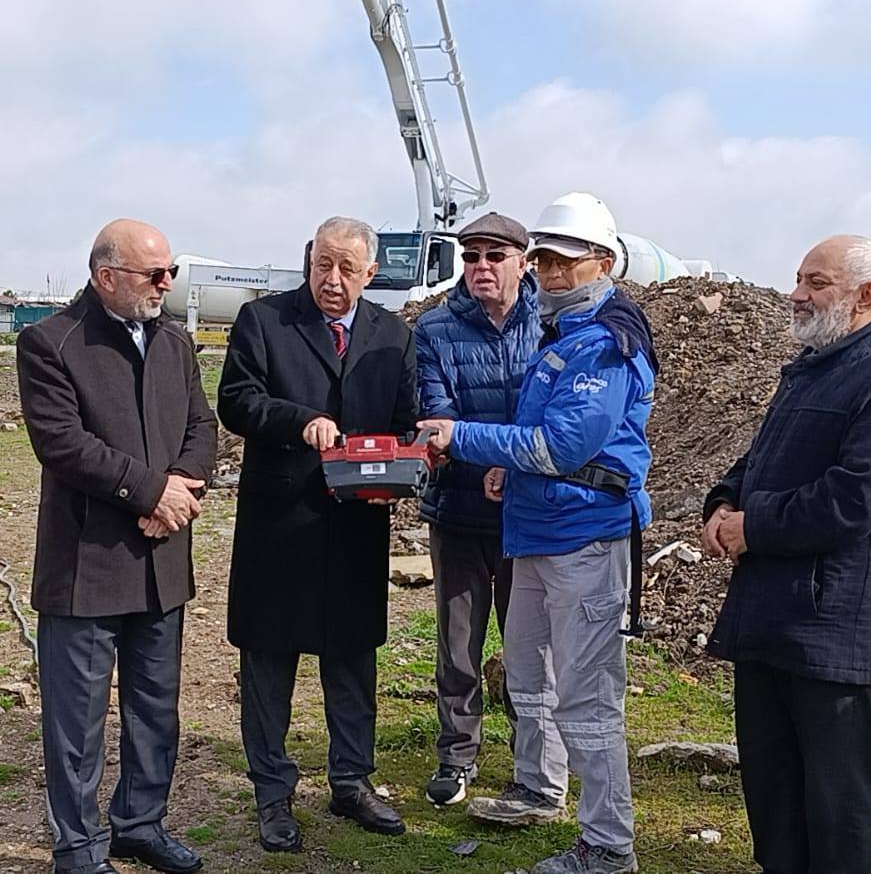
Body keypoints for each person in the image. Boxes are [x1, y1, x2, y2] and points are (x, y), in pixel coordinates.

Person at [420, 192, 655, 874]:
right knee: (527, 671)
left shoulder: (607, 342)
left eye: (561, 261)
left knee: (585, 695)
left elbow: (560, 444)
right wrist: (507, 472)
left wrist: (464, 437)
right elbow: (543, 447)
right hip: (537, 530)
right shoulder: (566, 335)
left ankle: (607, 844)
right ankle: (537, 785)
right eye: (544, 260)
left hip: (584, 536)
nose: (549, 273)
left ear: (602, 263)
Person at [701, 236, 871, 874]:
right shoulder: (813, 366)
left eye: (816, 282)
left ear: (864, 296)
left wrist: (754, 526)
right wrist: (721, 507)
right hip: (770, 614)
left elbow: (856, 498)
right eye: (798, 278)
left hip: (830, 622)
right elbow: (760, 463)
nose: (796, 294)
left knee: (836, 805)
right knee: (773, 789)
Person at [17, 219, 216, 874]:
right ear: (106, 276)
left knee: (155, 707)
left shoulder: (173, 341)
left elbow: (199, 424)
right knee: (77, 720)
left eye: (170, 274)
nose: (166, 285)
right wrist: (151, 493)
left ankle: (139, 822)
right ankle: (78, 846)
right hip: (87, 563)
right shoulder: (50, 342)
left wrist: (181, 493)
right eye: (152, 274)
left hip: (162, 559)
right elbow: (63, 443)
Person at [218, 215, 419, 852]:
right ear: (309, 262)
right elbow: (236, 401)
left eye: (347, 269)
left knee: (353, 658)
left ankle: (352, 780)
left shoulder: (393, 335)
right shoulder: (265, 321)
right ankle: (272, 793)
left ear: (370, 273)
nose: (332, 280)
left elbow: (407, 416)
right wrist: (298, 419)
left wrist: (413, 453)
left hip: (357, 523)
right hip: (281, 524)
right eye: (322, 265)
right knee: (270, 662)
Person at [412, 211, 541, 806]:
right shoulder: (434, 329)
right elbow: (436, 414)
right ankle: (457, 756)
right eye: (471, 257)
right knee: (458, 642)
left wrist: (509, 462)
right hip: (459, 509)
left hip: (531, 511)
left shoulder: (553, 323)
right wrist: (480, 456)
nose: (481, 267)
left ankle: (533, 760)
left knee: (529, 642)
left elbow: (552, 417)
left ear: (524, 261)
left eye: (494, 256)